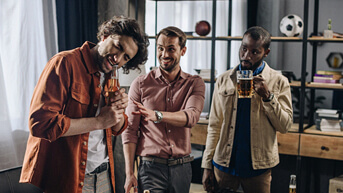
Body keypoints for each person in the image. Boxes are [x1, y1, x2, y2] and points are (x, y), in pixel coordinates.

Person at [19, 16, 149, 193]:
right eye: (118, 46)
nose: (117, 58)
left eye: (125, 57)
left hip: (104, 176)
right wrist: (99, 121)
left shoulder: (111, 75)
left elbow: (117, 128)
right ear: (105, 35)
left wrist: (118, 111)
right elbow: (40, 124)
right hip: (70, 178)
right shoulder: (64, 63)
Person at [201, 26, 293, 193]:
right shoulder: (224, 79)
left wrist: (268, 97)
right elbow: (214, 126)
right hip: (224, 166)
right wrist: (207, 166)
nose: (246, 56)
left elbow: (285, 126)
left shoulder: (279, 81)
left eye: (254, 52)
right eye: (244, 48)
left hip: (258, 168)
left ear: (266, 52)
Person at [122, 26, 205, 193]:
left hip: (182, 168)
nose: (164, 54)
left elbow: (192, 116)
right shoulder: (140, 84)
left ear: (183, 51)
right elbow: (130, 130)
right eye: (160, 48)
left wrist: (157, 115)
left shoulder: (195, 83)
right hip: (150, 168)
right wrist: (129, 173)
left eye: (171, 49)